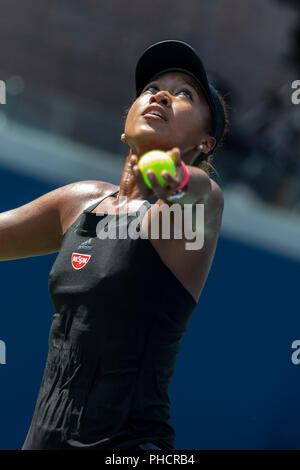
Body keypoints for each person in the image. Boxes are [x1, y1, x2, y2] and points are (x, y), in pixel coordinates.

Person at [2, 40, 229, 450]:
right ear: (126, 120)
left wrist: (173, 176)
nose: (160, 94)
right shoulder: (80, 201)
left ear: (205, 143)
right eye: (151, 88)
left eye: (184, 94)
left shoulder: (193, 208)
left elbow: (195, 192)